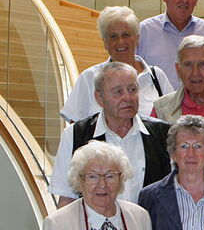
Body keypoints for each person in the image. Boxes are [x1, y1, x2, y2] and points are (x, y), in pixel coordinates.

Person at [50, 62, 171, 208]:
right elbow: (66, 199)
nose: (128, 97)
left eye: (132, 89)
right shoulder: (75, 135)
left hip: (148, 229)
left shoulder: (163, 134)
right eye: (118, 91)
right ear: (99, 98)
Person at [61, 6, 174, 122]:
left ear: (137, 38)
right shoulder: (89, 77)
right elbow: (75, 126)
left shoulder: (156, 76)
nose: (120, 41)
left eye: (126, 35)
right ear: (105, 42)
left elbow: (173, 119)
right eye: (113, 36)